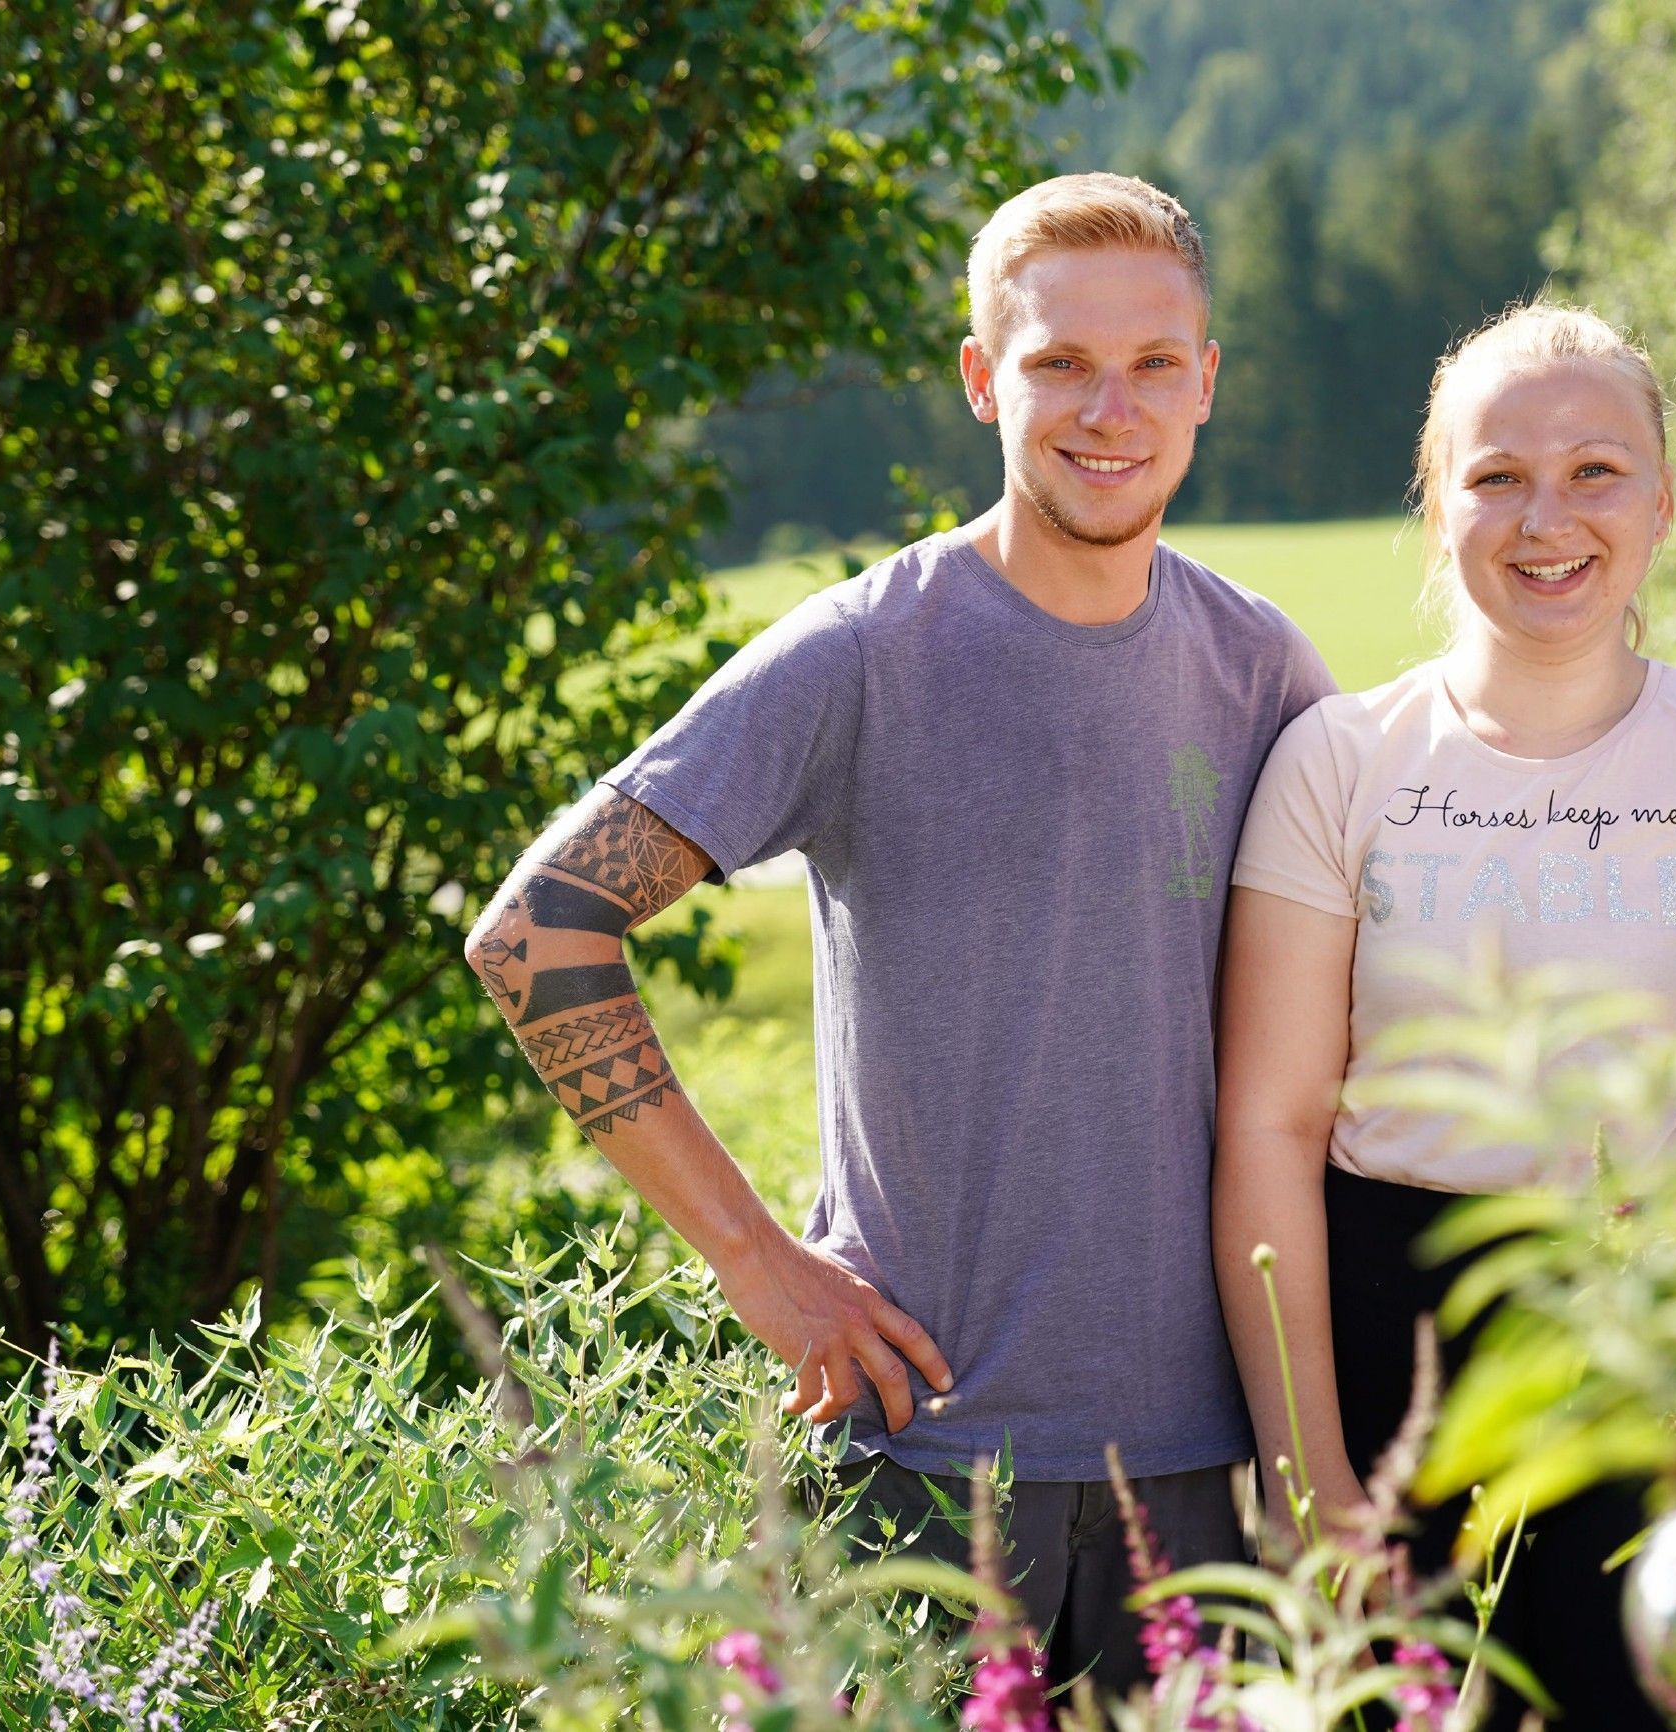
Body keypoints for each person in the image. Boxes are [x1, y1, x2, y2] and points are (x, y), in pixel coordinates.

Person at [462, 172, 1334, 1694]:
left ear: (1205, 386)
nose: (1105, 407)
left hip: (1212, 1473)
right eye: (1059, 360)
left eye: (1149, 365)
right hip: (918, 1467)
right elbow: (536, 931)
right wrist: (755, 1262)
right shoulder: (866, 652)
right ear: (983, 378)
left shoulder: (1259, 667)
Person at [1213, 302, 1676, 1730]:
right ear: (1435, 512)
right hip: (1383, 1338)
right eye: (1493, 476)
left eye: (1595, 470)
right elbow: (1267, 1125)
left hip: (1651, 1340)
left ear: (1661, 505)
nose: (1545, 516)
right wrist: (1307, 1488)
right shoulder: (1338, 760)